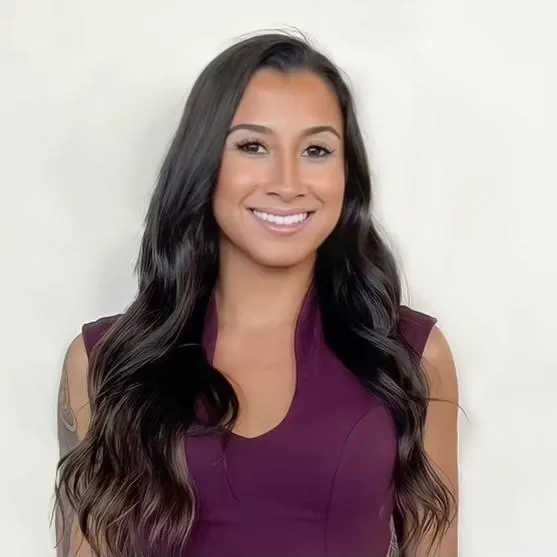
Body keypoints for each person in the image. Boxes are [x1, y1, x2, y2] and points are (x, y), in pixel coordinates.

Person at [54, 31, 459, 557]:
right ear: (204, 164)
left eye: (316, 150)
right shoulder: (106, 362)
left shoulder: (410, 358)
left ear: (347, 176)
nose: (287, 183)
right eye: (253, 146)